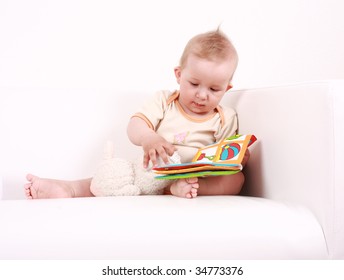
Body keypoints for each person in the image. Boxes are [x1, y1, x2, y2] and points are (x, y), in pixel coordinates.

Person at [24, 28, 250, 199]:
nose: (202, 95)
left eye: (213, 89)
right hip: (154, 168)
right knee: (116, 177)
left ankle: (184, 188)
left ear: (227, 89)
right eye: (194, 83)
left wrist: (238, 157)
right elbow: (135, 125)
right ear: (179, 75)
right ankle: (69, 188)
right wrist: (149, 138)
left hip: (197, 175)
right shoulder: (165, 101)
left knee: (236, 179)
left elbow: (227, 154)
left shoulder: (225, 117)